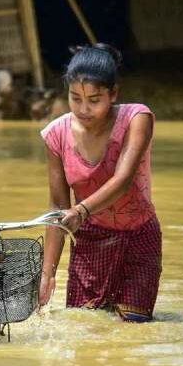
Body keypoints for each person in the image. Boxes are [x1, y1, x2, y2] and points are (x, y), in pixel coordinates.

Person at [38, 44, 161, 322]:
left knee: (134, 326)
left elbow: (123, 180)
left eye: (94, 100)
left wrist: (80, 211)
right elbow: (58, 205)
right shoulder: (56, 134)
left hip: (139, 237)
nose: (83, 109)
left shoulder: (136, 118)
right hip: (90, 242)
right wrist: (47, 274)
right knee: (87, 327)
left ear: (113, 94)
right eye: (75, 98)